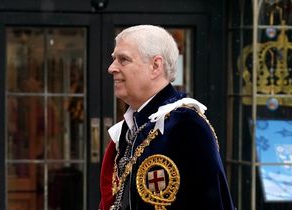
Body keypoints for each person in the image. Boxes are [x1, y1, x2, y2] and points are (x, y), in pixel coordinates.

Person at [99, 25, 235, 210]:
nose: (111, 68)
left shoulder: (185, 125)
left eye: (123, 60)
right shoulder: (133, 126)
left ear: (155, 66)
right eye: (114, 59)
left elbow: (212, 202)